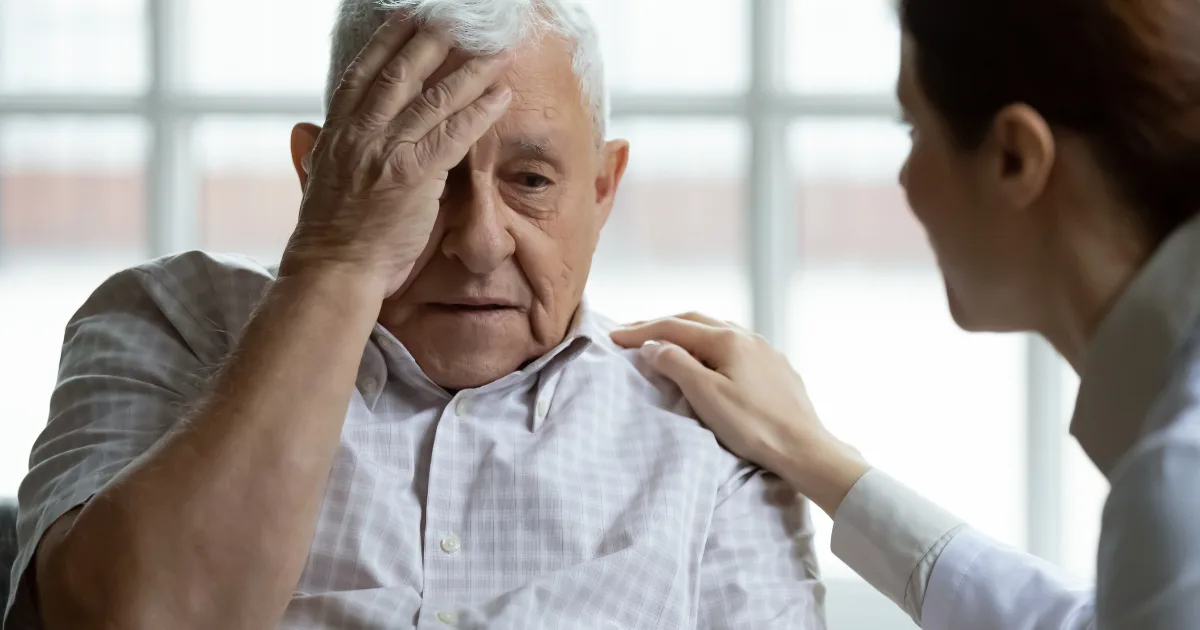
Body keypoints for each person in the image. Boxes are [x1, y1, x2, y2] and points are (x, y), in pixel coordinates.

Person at [2, 2, 826, 629]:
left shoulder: (710, 430)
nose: (475, 241)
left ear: (603, 189)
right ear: (319, 172)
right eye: (419, 172)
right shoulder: (169, 321)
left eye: (531, 181)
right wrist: (339, 257)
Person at [612, 0, 1200, 628]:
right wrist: (816, 457)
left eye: (915, 133)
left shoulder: (1178, 484)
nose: (905, 180)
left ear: (1015, 158)